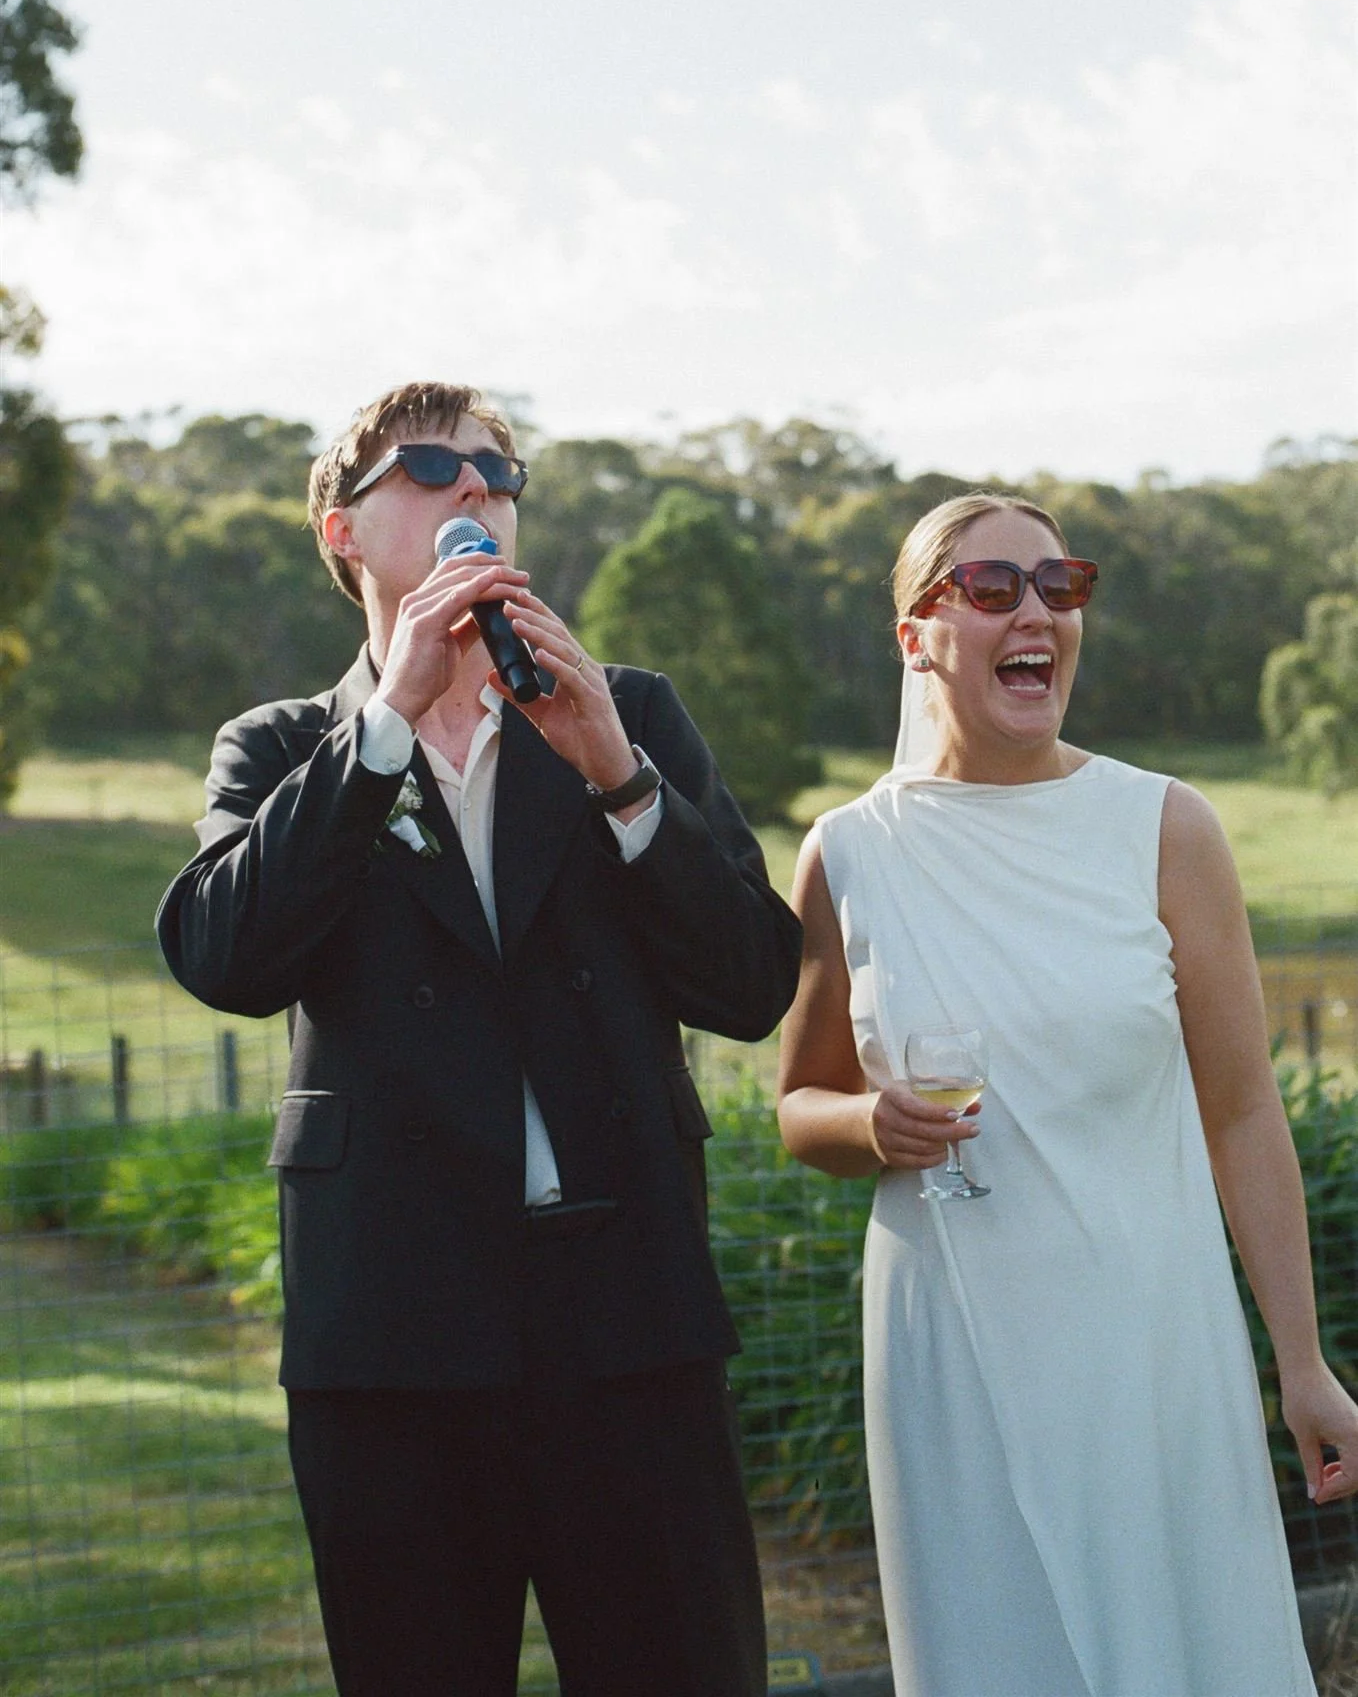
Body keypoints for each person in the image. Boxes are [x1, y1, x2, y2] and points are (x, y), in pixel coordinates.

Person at [156, 380, 801, 1697]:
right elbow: (224, 956)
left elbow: (750, 983)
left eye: (501, 475)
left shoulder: (627, 713)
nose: (477, 492)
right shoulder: (285, 748)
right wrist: (383, 728)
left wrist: (618, 774)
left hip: (629, 1325)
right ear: (344, 532)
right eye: (435, 467)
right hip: (391, 1333)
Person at [776, 490, 1358, 1697]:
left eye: (1058, 583)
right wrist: (870, 1124)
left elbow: (1242, 1110)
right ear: (915, 634)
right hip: (951, 1347)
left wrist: (1300, 1361)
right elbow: (799, 1105)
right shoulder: (847, 850)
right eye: (991, 587)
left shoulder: (1163, 827)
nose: (1035, 609)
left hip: (1148, 1338)